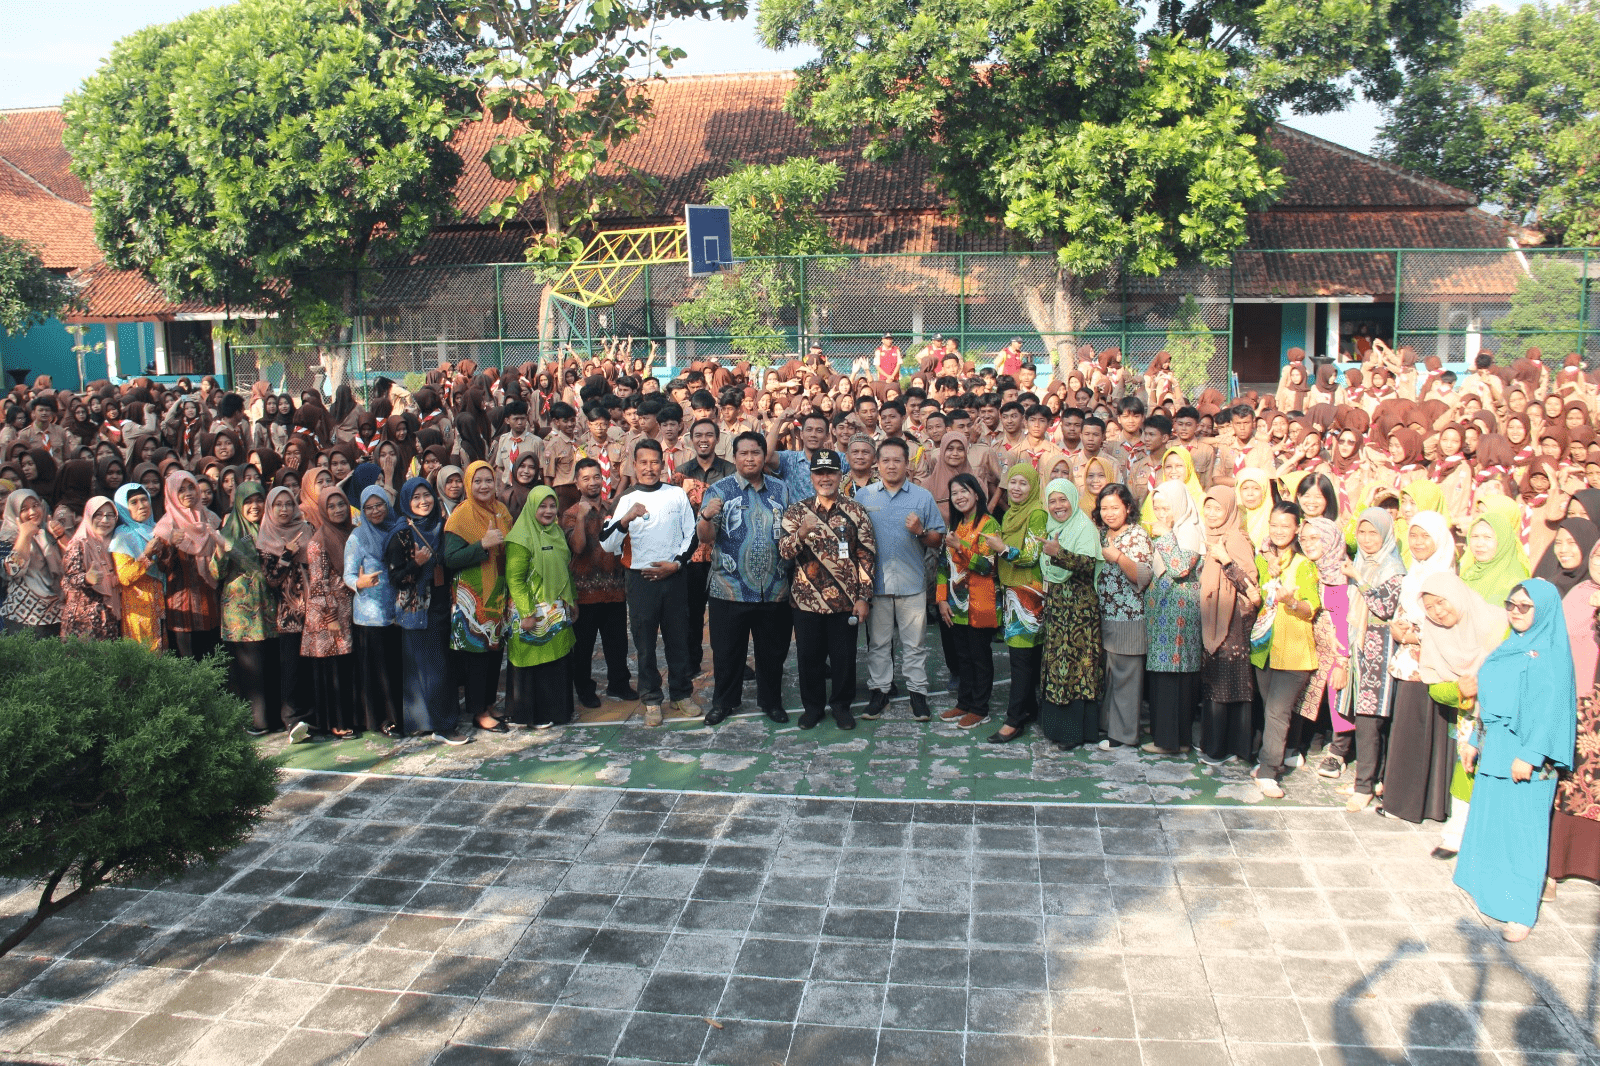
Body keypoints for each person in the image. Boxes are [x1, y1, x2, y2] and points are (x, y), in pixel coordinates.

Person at [1455, 578, 1576, 941]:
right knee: (1495, 826)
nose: (1516, 612)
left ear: (1544, 611)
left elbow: (1553, 711)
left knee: (1524, 833)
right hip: (1496, 749)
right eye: (1512, 604)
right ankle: (1491, 894)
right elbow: (1488, 701)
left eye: (1526, 606)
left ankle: (1520, 911)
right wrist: (1475, 739)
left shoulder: (1551, 654)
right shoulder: (1509, 647)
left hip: (1527, 757)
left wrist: (1530, 755)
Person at [697, 431, 793, 725]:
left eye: (755, 453)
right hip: (729, 588)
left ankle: (771, 702)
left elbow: (791, 531)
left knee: (772, 653)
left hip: (774, 588)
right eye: (743, 453)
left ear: (765, 457)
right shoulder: (718, 490)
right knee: (726, 653)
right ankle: (724, 702)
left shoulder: (782, 490)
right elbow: (705, 538)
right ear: (734, 457)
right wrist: (706, 517)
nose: (750, 458)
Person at [602, 438, 700, 726]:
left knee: (678, 639)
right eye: (643, 462)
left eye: (654, 462)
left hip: (674, 577)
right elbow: (607, 544)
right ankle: (651, 699)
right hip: (640, 579)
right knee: (644, 643)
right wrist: (626, 519)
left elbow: (691, 535)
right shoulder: (626, 499)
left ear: (662, 463)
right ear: (634, 465)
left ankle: (682, 694)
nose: (649, 467)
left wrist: (676, 564)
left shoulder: (676, 495)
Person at [778, 449, 876, 730]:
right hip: (807, 601)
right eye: (819, 473)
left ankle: (842, 707)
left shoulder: (855, 510)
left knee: (844, 658)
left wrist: (863, 597)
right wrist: (801, 533)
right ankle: (813, 708)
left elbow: (866, 555)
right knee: (809, 658)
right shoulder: (797, 512)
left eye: (830, 472)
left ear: (839, 475)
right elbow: (784, 551)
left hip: (845, 602)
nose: (825, 478)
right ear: (811, 477)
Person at [1415, 571, 1507, 857]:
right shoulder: (1434, 632)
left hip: (1505, 709)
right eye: (1429, 608)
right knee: (1465, 766)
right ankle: (1456, 833)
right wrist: (1459, 688)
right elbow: (1432, 687)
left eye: (1441, 602)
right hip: (1468, 713)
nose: (1438, 612)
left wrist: (1486, 683)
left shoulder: (1497, 622)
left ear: (1456, 595)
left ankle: (1493, 835)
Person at [855, 437, 946, 722]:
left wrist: (920, 531)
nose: (891, 465)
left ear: (907, 465)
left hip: (911, 583)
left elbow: (937, 539)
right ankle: (880, 693)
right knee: (879, 643)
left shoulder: (922, 497)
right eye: (886, 460)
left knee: (915, 644)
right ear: (876, 464)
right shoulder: (864, 497)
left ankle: (918, 695)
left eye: (897, 460)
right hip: (876, 584)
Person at [1251, 501, 1320, 799]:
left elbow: (1311, 607)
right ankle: (1281, 754)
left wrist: (1291, 601)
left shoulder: (1304, 565)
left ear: (1296, 529)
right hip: (1263, 646)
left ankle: (1268, 771)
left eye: (1285, 526)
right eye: (1274, 525)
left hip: (1293, 651)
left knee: (1278, 711)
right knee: (1272, 710)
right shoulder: (1261, 560)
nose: (1279, 531)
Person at [443, 460, 514, 733]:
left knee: (495, 653)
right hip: (472, 598)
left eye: (488, 480)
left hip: (497, 591)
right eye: (478, 481)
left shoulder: (501, 510)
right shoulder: (461, 515)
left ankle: (488, 703)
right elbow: (449, 558)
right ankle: (478, 711)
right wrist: (481, 545)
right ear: (469, 484)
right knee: (477, 657)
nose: (484, 486)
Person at [1036, 477, 1105, 749]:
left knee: (1078, 668)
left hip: (1080, 614)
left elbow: (1089, 564)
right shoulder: (1054, 527)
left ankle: (1076, 733)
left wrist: (1059, 553)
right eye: (1052, 501)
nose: (1057, 506)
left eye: (1062, 499)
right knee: (1057, 666)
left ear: (1073, 501)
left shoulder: (1084, 527)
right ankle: (1057, 728)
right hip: (1057, 610)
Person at [563, 458, 635, 708]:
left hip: (614, 588)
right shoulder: (571, 514)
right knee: (583, 646)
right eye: (586, 478)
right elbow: (578, 547)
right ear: (576, 483)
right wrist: (582, 518)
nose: (592, 482)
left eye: (596, 477)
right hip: (584, 592)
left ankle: (619, 684)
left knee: (617, 643)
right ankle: (584, 688)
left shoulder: (612, 509)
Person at [505, 485, 578, 728]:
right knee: (531, 658)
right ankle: (531, 715)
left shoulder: (555, 532)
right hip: (532, 608)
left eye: (552, 506)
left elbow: (565, 570)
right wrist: (527, 613)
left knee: (554, 660)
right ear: (531, 507)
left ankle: (555, 711)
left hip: (555, 609)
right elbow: (514, 579)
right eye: (542, 506)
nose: (548, 511)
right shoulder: (520, 537)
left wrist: (572, 599)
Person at [1197, 486, 1260, 765]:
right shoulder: (1211, 536)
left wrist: (1226, 559)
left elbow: (1250, 584)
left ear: (1230, 511)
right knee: (1217, 683)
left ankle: (1222, 748)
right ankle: (1220, 744)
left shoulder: (1234, 538)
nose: (1211, 514)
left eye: (1218, 509)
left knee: (1228, 685)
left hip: (1232, 619)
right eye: (1208, 507)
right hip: (1216, 617)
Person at [986, 461, 1048, 743]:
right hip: (1012, 591)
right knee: (1027, 657)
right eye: (1013, 482)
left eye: (1024, 483)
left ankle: (1014, 719)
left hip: (1027, 593)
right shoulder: (1011, 513)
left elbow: (1031, 555)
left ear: (1033, 486)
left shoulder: (1036, 513)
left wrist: (1003, 549)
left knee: (1020, 658)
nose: (1017, 488)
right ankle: (1030, 708)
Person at [1550, 538, 1600, 889]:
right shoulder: (1580, 593)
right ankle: (1560, 865)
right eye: (1598, 555)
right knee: (1573, 783)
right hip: (1581, 703)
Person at [1142, 480, 1205, 754]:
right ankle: (1167, 732)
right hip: (1165, 613)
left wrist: (1166, 534)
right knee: (1164, 674)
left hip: (1178, 617)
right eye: (1157, 507)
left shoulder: (1188, 530)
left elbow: (1179, 567)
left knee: (1171, 676)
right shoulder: (1174, 529)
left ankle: (1169, 742)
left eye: (1166, 506)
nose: (1161, 512)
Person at [936, 472, 1001, 728]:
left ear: (976, 494)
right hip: (955, 604)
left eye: (964, 491)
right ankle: (963, 703)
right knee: (962, 656)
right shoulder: (956, 526)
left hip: (980, 602)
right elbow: (943, 566)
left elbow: (987, 566)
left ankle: (980, 708)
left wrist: (960, 547)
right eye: (954, 493)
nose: (959, 497)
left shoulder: (989, 525)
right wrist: (941, 600)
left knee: (979, 657)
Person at [216, 482, 281, 735]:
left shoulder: (270, 529)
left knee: (270, 664)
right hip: (241, 615)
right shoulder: (229, 532)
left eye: (258, 501)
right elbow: (215, 572)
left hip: (269, 610)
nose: (254, 506)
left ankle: (273, 719)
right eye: (248, 502)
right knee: (249, 667)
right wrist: (223, 552)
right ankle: (255, 722)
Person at [1095, 483, 1152, 751]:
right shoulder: (1102, 534)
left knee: (1127, 678)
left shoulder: (1137, 536)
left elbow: (1142, 576)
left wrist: (1118, 557)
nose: (1109, 513)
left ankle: (1125, 735)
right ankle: (1109, 726)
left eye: (1115, 507)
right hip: (1107, 617)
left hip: (1130, 618)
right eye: (1104, 508)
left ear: (1128, 508)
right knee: (1112, 675)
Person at [257, 485, 316, 743]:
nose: (284, 509)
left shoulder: (307, 529)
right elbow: (271, 579)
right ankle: (292, 721)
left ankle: (314, 718)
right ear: (269, 509)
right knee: (291, 668)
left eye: (289, 504)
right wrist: (287, 554)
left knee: (311, 666)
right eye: (278, 505)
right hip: (287, 612)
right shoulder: (266, 537)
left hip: (314, 608)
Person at [346, 485, 403, 737]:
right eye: (368, 508)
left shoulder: (397, 529)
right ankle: (383, 719)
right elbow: (347, 574)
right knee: (378, 672)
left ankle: (399, 716)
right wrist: (359, 582)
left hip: (397, 612)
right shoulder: (357, 537)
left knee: (395, 668)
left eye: (379, 505)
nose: (375, 511)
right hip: (370, 616)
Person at [304, 484, 358, 737]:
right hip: (329, 615)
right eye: (331, 506)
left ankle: (347, 718)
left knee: (346, 668)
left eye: (341, 505)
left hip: (347, 610)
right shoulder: (319, 541)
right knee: (333, 671)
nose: (337, 510)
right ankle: (336, 722)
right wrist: (331, 617)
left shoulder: (350, 533)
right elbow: (318, 584)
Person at [154, 470, 223, 660]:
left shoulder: (211, 519)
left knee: (212, 661)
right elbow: (162, 568)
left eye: (191, 487)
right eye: (181, 490)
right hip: (183, 607)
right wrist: (172, 547)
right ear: (172, 494)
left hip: (210, 602)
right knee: (188, 664)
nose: (188, 493)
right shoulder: (166, 527)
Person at [0, 489, 64, 636]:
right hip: (23, 616)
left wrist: (60, 536)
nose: (32, 511)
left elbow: (67, 565)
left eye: (35, 505)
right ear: (14, 512)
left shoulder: (48, 532)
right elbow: (11, 571)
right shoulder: (6, 539)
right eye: (24, 509)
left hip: (55, 611)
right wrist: (24, 536)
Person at [108, 484, 164, 651]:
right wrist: (146, 555)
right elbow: (124, 577)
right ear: (123, 508)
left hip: (159, 604)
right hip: (138, 607)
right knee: (143, 659)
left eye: (144, 499)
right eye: (133, 502)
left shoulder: (156, 529)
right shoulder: (122, 536)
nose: (142, 506)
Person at [59, 495, 121, 642]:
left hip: (109, 620)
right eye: (98, 515)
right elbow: (67, 581)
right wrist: (86, 579)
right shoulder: (79, 545)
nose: (104, 520)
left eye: (109, 515)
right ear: (88, 516)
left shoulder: (115, 544)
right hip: (82, 623)